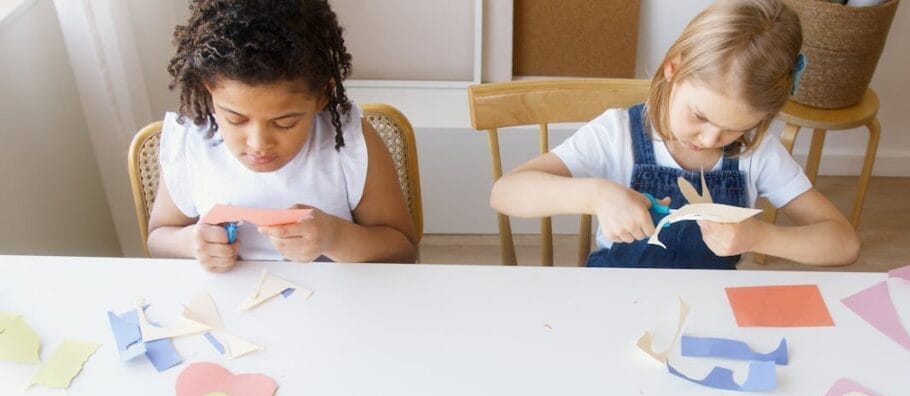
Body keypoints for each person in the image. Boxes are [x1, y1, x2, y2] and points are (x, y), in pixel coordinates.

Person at [490, 0, 859, 268]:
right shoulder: (617, 134)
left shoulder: (757, 154)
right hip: (613, 301)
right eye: (699, 115)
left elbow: (843, 243)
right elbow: (505, 193)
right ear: (673, 69)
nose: (712, 139)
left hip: (707, 310)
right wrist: (595, 194)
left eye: (736, 128)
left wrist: (761, 237)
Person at [148, 0, 418, 271]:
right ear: (208, 92)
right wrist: (191, 243)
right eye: (235, 119)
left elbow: (403, 249)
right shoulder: (191, 142)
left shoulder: (349, 143)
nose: (258, 144)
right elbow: (157, 240)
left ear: (321, 97)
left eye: (285, 123)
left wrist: (334, 237)